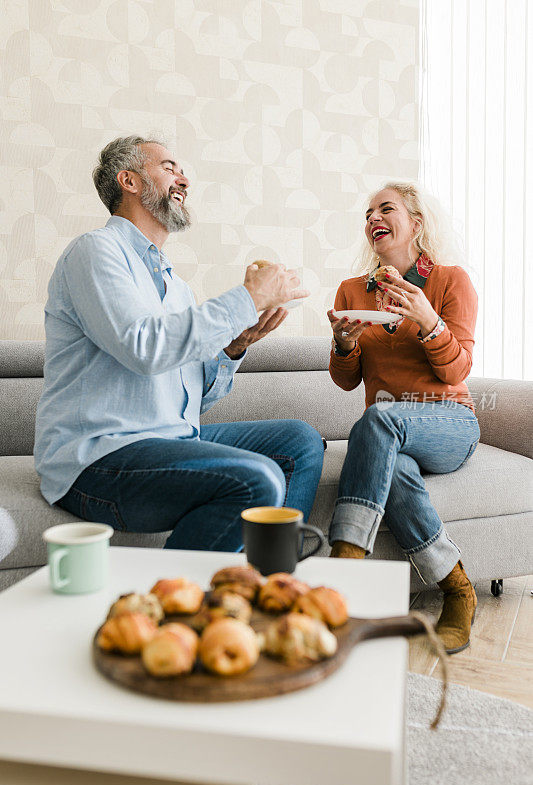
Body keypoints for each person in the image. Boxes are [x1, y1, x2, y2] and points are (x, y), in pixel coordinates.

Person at [34, 135, 325, 552]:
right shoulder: (95, 252)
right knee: (255, 479)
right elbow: (144, 349)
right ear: (129, 181)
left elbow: (190, 402)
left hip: (170, 440)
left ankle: (270, 582)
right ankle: (176, 608)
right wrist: (249, 297)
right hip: (98, 460)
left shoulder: (178, 288)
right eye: (170, 167)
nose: (184, 178)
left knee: (300, 441)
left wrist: (234, 347)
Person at [327, 181, 479, 655]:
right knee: (391, 458)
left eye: (385, 208)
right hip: (390, 433)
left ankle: (342, 575)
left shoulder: (451, 281)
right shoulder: (353, 291)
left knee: (379, 420)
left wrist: (428, 319)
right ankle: (457, 590)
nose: (373, 217)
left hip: (449, 421)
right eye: (368, 212)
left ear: (415, 222)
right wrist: (346, 344)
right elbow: (346, 381)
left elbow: (457, 369)